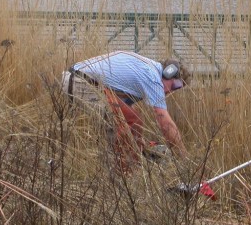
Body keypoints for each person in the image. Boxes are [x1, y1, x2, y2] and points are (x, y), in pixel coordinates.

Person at [62, 51, 190, 171]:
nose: (171, 91)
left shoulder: (145, 68)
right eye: (175, 86)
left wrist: (139, 142)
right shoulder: (152, 76)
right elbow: (165, 123)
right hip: (80, 81)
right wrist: (184, 156)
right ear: (168, 73)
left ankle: (113, 168)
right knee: (133, 120)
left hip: (77, 79)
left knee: (126, 121)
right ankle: (127, 172)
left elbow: (123, 107)